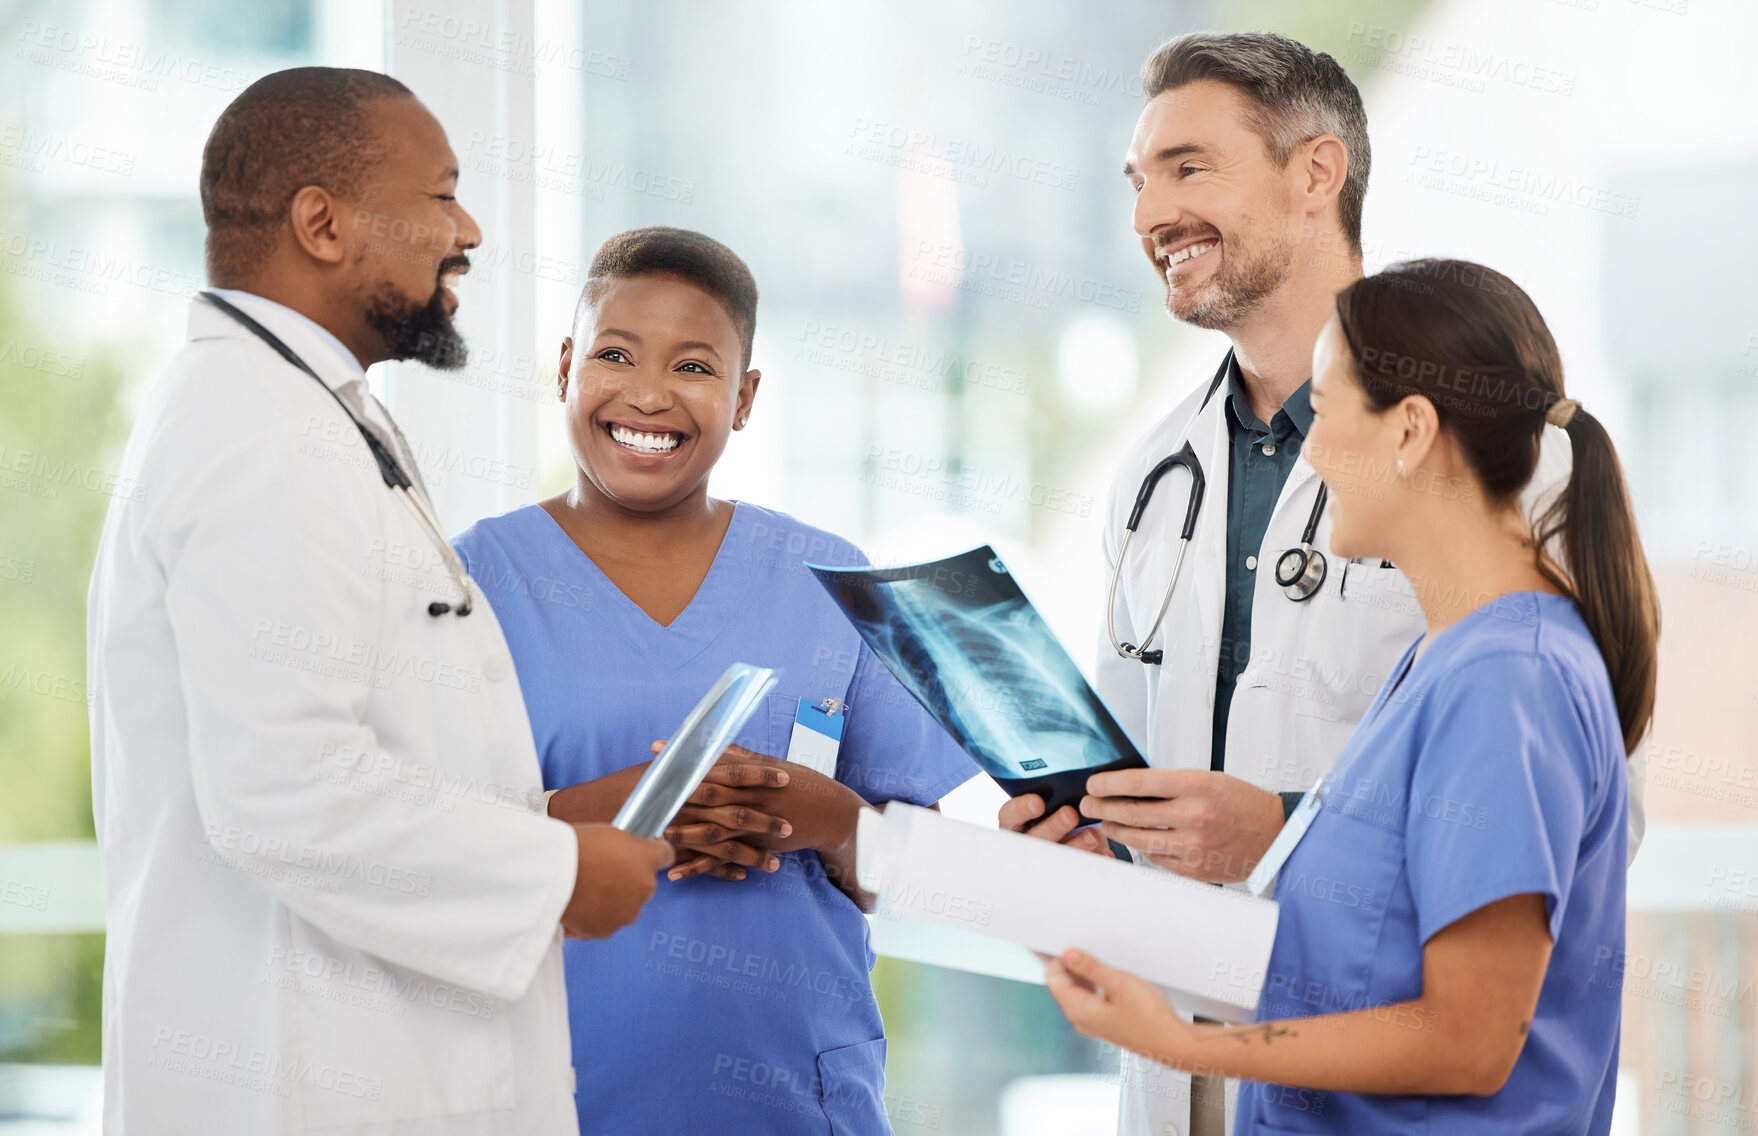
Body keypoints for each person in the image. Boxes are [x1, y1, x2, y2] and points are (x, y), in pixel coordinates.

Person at [997, 32, 1639, 1134]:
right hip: (1194, 1069)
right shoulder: (1151, 475)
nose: (1150, 214)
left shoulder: (1510, 467)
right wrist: (1083, 839)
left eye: (1188, 168)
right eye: (1138, 182)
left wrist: (1283, 828)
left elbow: (1580, 835)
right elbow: (1133, 760)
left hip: (1357, 1066)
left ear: (1315, 175)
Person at [86, 68, 671, 1136]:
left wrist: (563, 820)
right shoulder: (262, 435)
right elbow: (284, 790)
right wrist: (554, 872)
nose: (472, 227)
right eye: (442, 194)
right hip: (300, 1085)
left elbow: (361, 754)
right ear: (322, 222)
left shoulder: (306, 411)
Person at [451, 226, 976, 1135]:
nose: (648, 394)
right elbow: (414, 848)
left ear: (745, 397)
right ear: (566, 366)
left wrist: (827, 816)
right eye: (614, 355)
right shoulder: (469, 583)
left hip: (798, 1100)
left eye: (694, 366)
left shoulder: (831, 578)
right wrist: (610, 811)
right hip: (552, 1098)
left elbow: (915, 875)